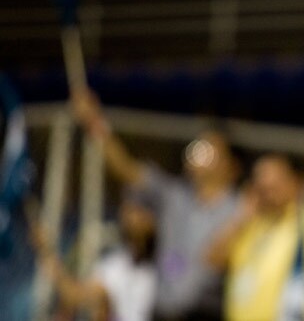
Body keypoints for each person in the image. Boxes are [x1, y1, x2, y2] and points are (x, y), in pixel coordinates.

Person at [70, 86, 244, 320]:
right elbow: (126, 169)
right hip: (161, 313)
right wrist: (94, 123)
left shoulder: (241, 208)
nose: (199, 155)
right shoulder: (174, 197)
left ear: (230, 165)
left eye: (209, 150)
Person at [223, 151, 304, 321]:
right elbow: (213, 260)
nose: (267, 189)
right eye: (261, 184)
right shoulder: (253, 225)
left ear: (297, 182)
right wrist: (241, 217)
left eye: (274, 183)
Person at [30, 187, 158, 321]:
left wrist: (45, 250)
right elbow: (74, 297)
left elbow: (73, 296)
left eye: (135, 210)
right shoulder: (119, 263)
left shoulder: (147, 264)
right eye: (127, 209)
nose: (126, 215)